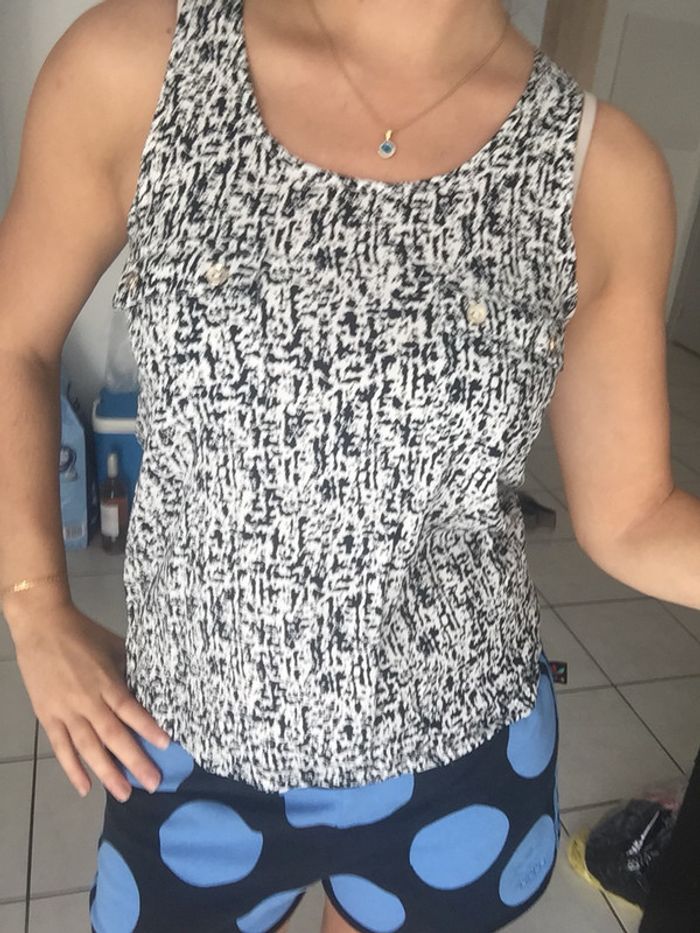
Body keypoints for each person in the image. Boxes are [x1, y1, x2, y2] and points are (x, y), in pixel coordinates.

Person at [1, 0, 696, 931]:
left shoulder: (602, 171)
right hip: (186, 736)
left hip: (459, 748)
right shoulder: (140, 64)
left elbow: (634, 516)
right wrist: (34, 604)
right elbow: (14, 339)